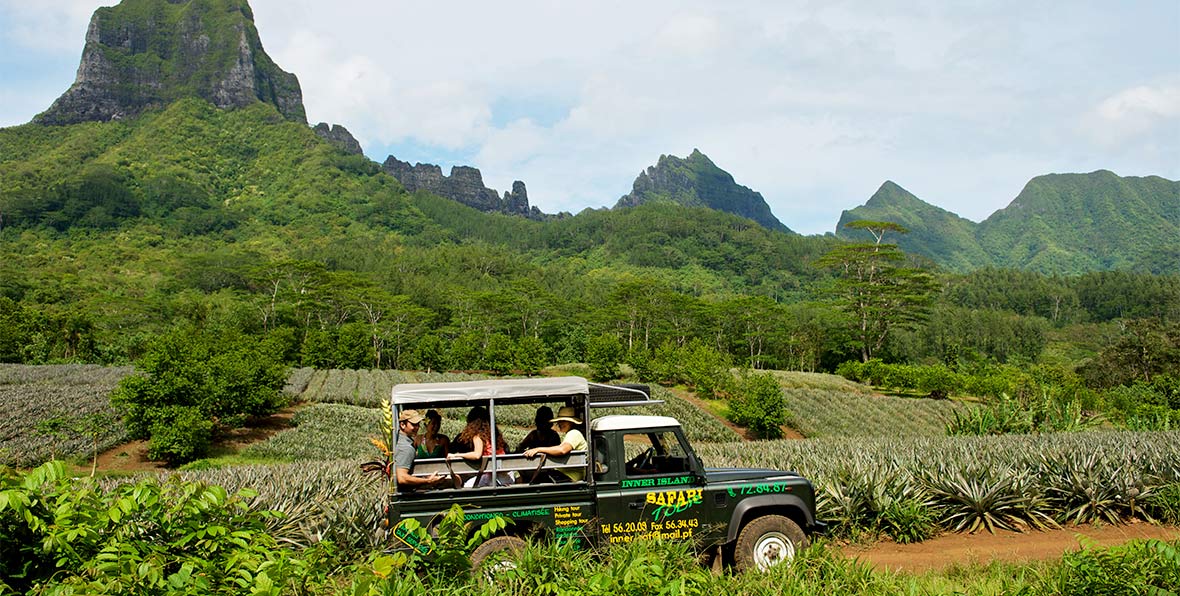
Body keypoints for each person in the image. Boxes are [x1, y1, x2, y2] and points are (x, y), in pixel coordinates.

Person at [448, 406, 512, 486]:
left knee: (467, 486)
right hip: (503, 475)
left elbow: (477, 454)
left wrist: (457, 455)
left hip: (491, 476)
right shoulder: (494, 434)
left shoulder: (478, 436)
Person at [522, 406, 588, 482]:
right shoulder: (571, 434)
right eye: (559, 421)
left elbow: (562, 450)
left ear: (571, 422)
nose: (560, 423)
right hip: (562, 474)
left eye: (564, 421)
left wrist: (538, 449)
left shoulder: (574, 433)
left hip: (568, 476)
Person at [393, 409, 445, 491]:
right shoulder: (407, 448)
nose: (417, 427)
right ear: (402, 425)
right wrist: (428, 481)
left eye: (418, 424)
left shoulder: (399, 441)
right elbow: (402, 478)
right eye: (414, 424)